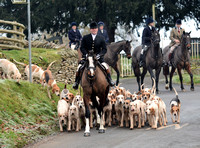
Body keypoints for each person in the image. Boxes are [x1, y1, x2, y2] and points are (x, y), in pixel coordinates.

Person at [73, 21, 115, 90]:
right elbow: (82, 48)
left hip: (97, 58)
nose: (94, 30)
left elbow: (104, 49)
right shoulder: (85, 37)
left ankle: (110, 80)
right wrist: (86, 54)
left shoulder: (101, 38)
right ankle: (76, 82)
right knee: (79, 67)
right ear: (90, 30)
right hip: (87, 58)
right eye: (93, 29)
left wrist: (99, 55)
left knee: (106, 67)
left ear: (97, 29)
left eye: (95, 28)